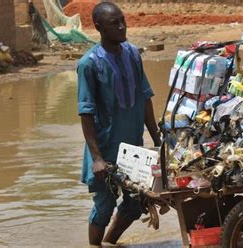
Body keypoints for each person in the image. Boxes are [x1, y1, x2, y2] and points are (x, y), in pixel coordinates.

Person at [76, 2, 161, 246]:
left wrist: (156, 137)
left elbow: (145, 96)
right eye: (115, 23)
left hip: (133, 147)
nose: (122, 27)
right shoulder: (89, 64)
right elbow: (86, 113)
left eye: (123, 20)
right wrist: (97, 158)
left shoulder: (133, 54)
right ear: (99, 27)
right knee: (103, 208)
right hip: (105, 149)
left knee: (137, 203)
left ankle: (111, 242)